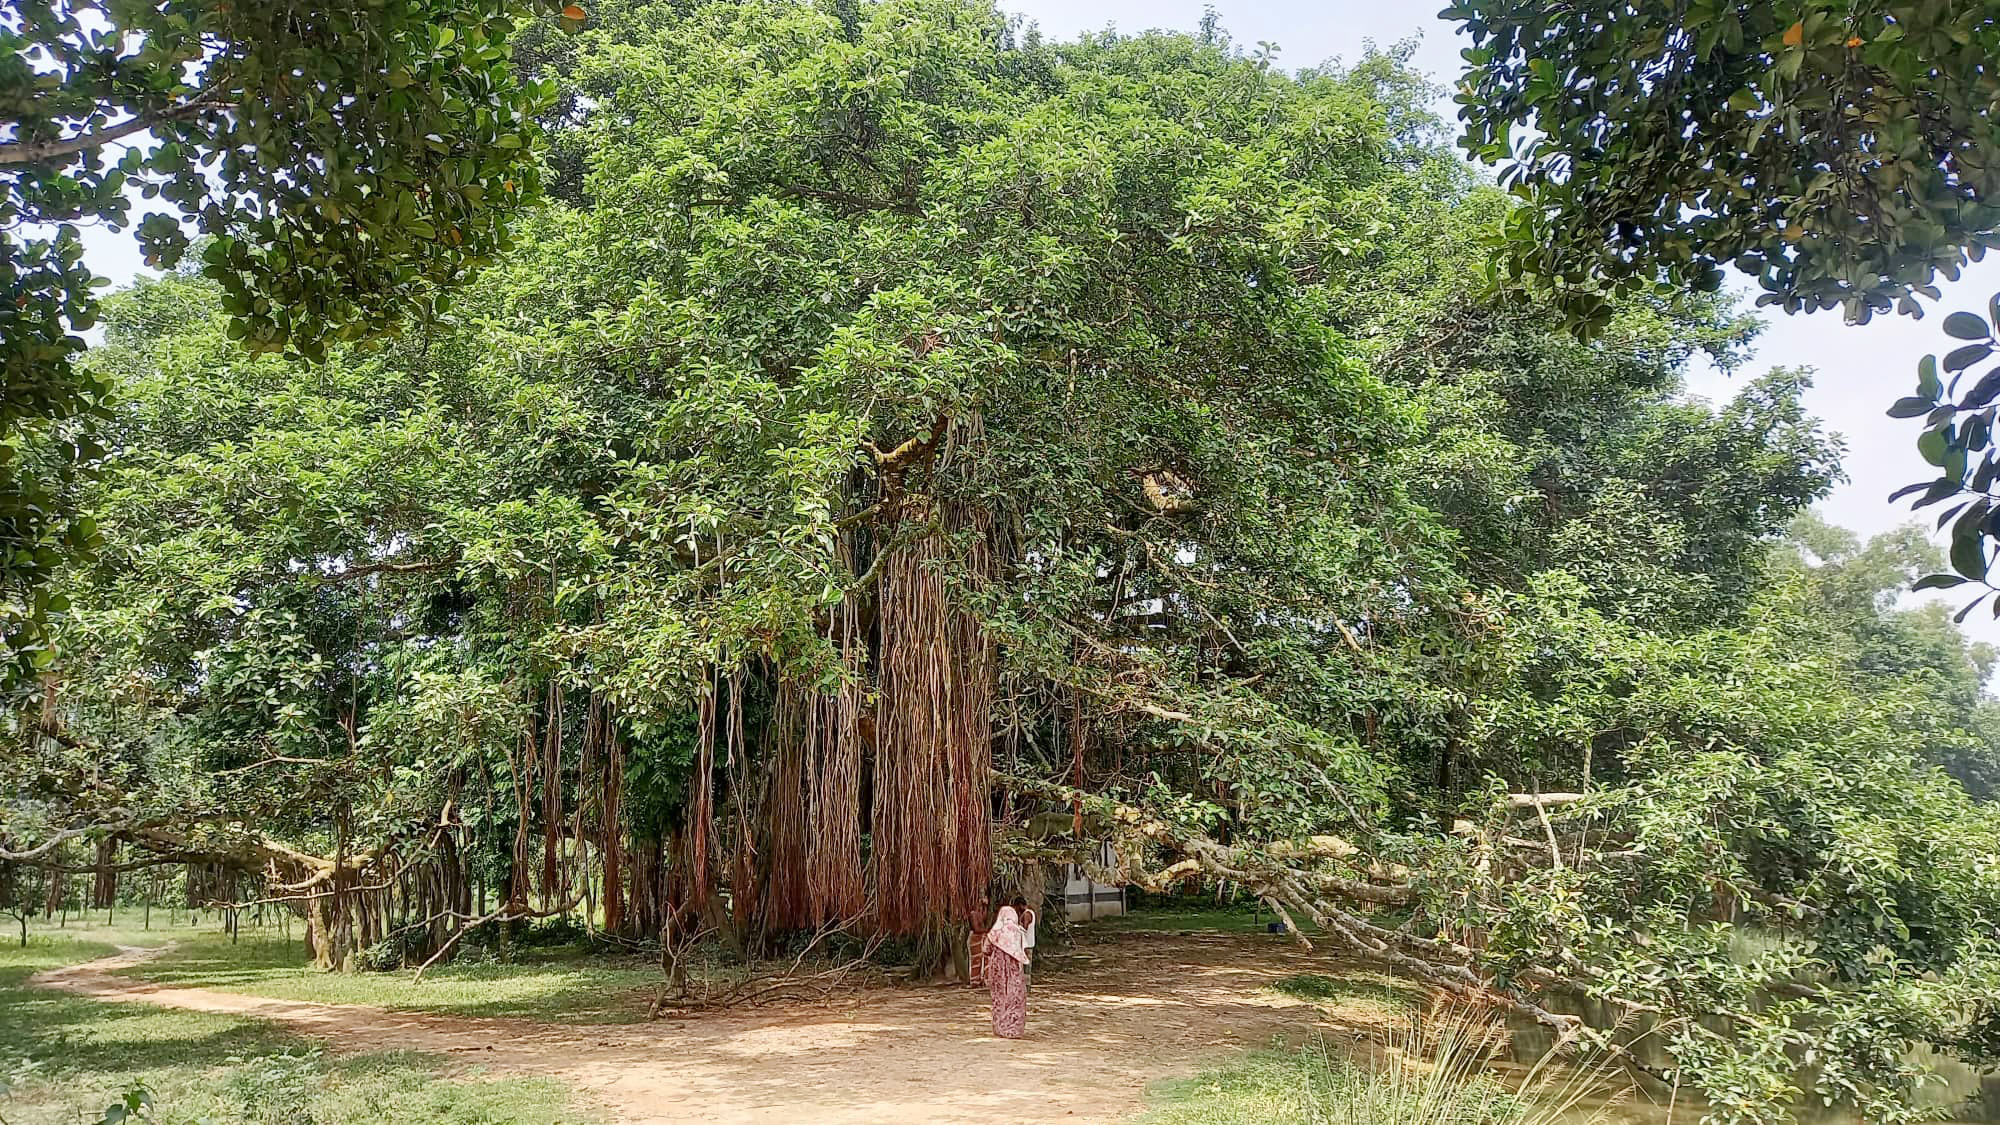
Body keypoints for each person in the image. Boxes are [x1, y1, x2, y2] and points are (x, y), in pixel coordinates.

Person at [982, 904, 1031, 1038]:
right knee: (1014, 996)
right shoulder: (1017, 931)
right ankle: (1012, 1029)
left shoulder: (995, 931)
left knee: (999, 997)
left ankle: (999, 1027)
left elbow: (985, 949)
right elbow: (1023, 950)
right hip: (1013, 971)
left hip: (997, 971)